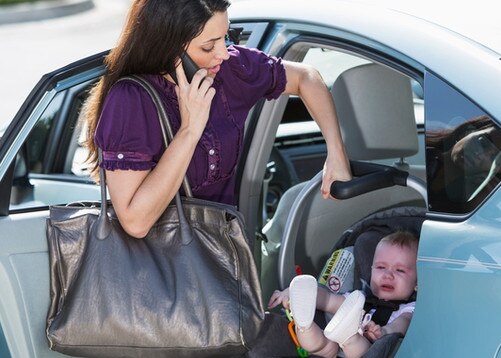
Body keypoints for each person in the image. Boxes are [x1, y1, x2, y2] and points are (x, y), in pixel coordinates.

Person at [82, 0, 351, 239]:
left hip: (221, 256)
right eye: (209, 46)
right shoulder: (130, 101)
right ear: (168, 48)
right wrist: (190, 130)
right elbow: (135, 222)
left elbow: (307, 77)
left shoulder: (229, 70)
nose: (222, 53)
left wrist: (336, 153)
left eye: (226, 37)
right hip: (159, 277)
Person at [267, 231, 418, 358]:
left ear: (418, 282)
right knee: (322, 345)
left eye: (400, 270)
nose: (388, 275)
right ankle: (304, 325)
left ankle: (348, 336)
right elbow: (328, 300)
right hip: (332, 355)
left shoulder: (410, 309)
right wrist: (296, 294)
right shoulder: (360, 298)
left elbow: (402, 324)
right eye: (381, 267)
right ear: (371, 270)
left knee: (363, 350)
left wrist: (384, 332)